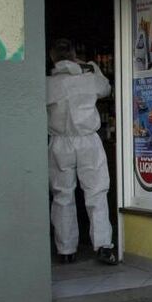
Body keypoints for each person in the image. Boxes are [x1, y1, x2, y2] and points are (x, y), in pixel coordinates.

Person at [46, 38, 117, 265]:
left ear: (52, 57)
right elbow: (106, 88)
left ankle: (66, 249)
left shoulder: (47, 82)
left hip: (60, 141)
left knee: (62, 195)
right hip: (88, 140)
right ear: (74, 54)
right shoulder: (88, 76)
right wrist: (89, 65)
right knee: (96, 193)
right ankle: (104, 245)